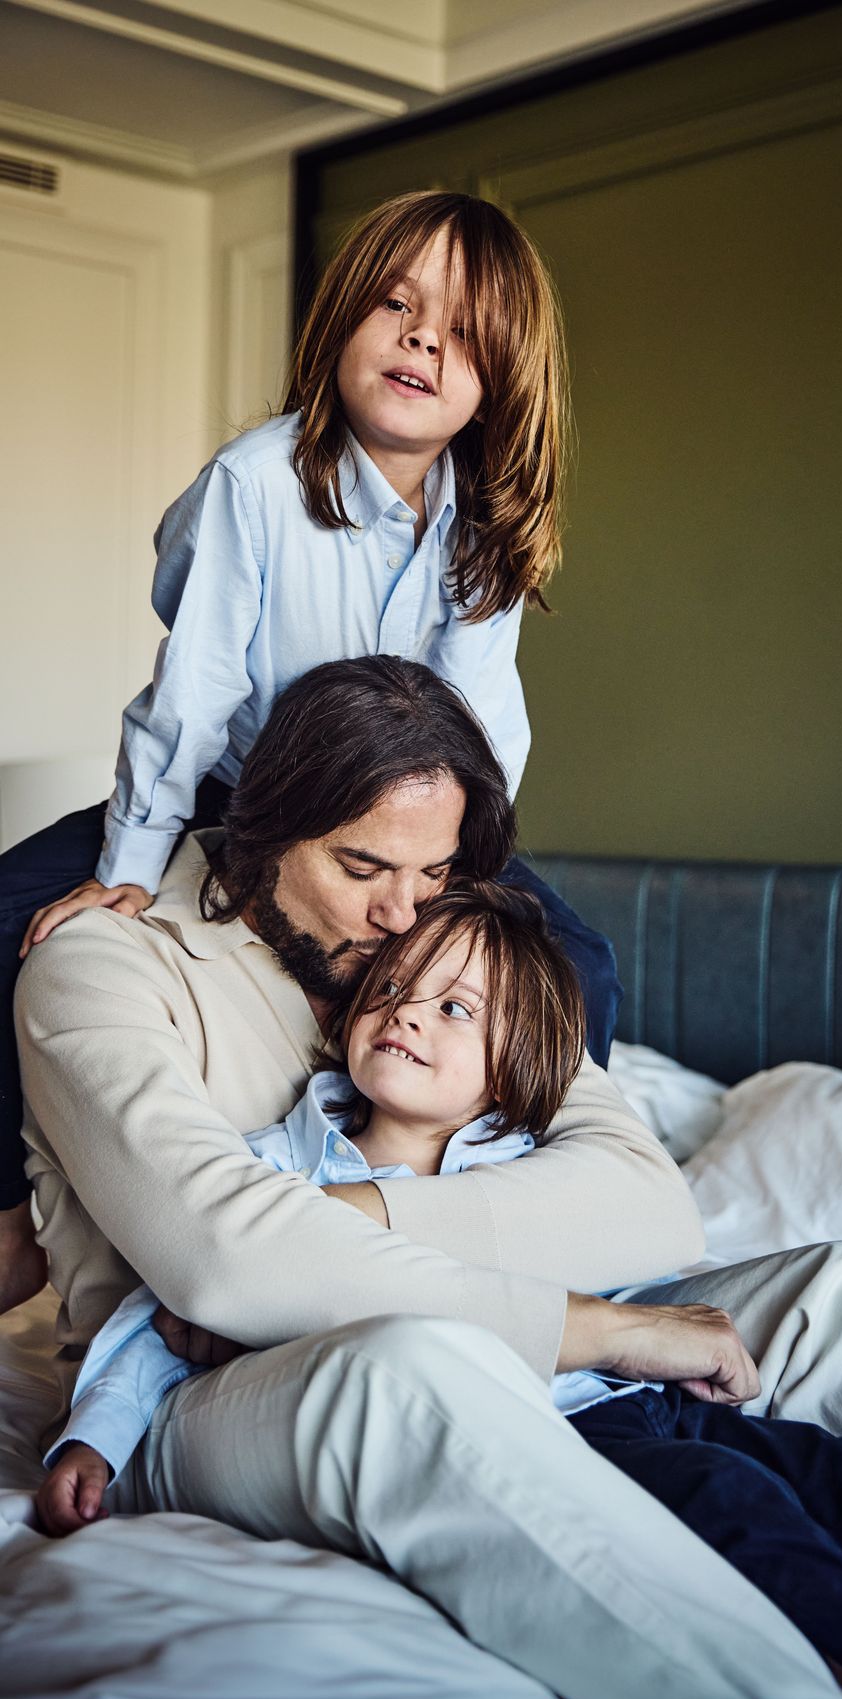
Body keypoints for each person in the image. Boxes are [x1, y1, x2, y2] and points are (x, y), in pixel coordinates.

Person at [17, 658, 842, 1699]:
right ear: (261, 829)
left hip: (414, 1320)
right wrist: (595, 1328)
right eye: (361, 865)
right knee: (412, 1366)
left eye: (433, 871)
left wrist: (341, 1222)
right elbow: (222, 1266)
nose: (400, 914)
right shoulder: (100, 965)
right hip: (213, 1394)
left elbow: (640, 1200)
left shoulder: (444, 949)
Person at [0, 186, 618, 1316]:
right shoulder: (260, 482)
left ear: (496, 386)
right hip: (243, 793)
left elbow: (477, 726)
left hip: (417, 822)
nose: (425, 338)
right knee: (10, 907)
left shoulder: (480, 528)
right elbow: (192, 695)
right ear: (341, 322)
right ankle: (8, 1216)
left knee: (584, 966)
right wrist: (133, 866)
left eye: (464, 331)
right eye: (397, 305)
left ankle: (488, 1171)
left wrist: (459, 886)